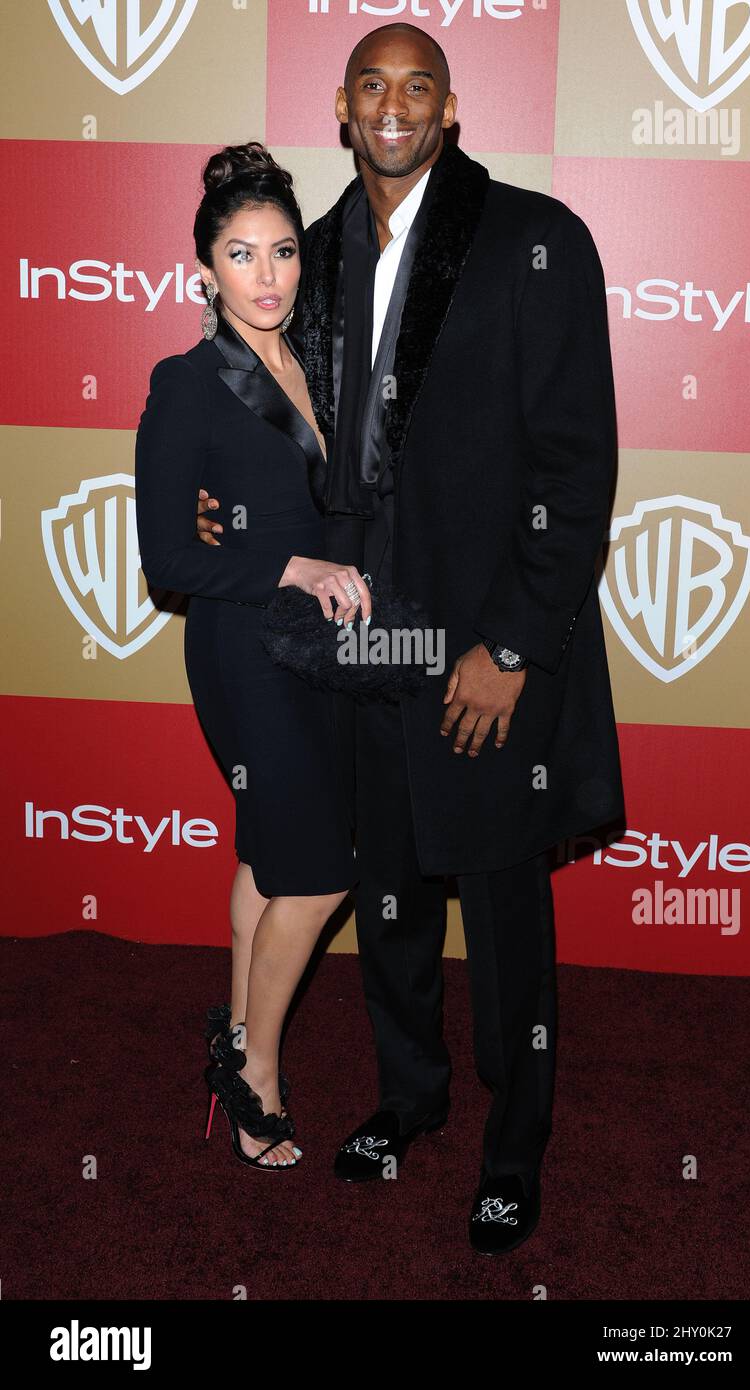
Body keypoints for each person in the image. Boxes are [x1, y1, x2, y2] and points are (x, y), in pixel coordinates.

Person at [197, 23, 625, 1252]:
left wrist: (510, 647)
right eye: (370, 87)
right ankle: (407, 1096)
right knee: (385, 898)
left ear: (450, 107)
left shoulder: (535, 240)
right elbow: (293, 444)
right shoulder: (316, 252)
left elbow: (574, 461)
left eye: (415, 87)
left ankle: (512, 1140)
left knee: (498, 913)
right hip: (364, 648)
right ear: (340, 108)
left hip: (483, 648)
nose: (392, 107)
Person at [135, 143, 373, 1172]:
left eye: (282, 251)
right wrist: (294, 567)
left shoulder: (311, 361)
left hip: (315, 649)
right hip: (244, 648)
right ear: (205, 269)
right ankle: (256, 1077)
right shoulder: (188, 383)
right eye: (241, 254)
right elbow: (167, 555)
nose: (267, 275)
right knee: (319, 873)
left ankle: (235, 1034)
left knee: (265, 856)